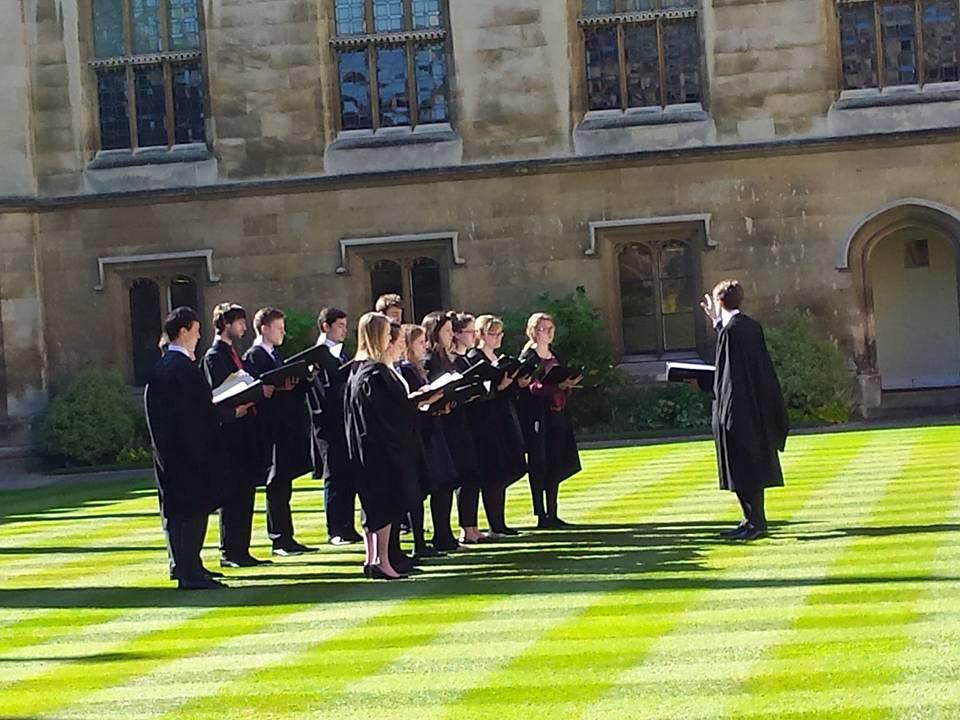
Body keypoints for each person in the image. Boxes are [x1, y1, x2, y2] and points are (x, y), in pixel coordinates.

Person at [145, 306, 231, 590]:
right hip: (189, 453)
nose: (198, 337)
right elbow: (194, 415)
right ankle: (189, 571)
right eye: (195, 331)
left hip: (169, 454)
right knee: (190, 511)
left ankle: (184, 564)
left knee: (175, 511)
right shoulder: (180, 369)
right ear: (182, 332)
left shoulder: (162, 368)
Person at [699, 279, 789, 541]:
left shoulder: (731, 332)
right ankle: (752, 520)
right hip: (756, 408)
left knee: (742, 468)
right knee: (750, 467)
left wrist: (705, 386)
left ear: (720, 302)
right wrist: (717, 323)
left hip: (738, 411)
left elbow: (727, 377)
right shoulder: (750, 327)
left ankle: (755, 522)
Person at [343, 312, 422, 580]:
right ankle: (382, 560)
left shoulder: (358, 370)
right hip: (380, 447)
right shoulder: (373, 374)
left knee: (373, 505)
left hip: (367, 445)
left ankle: (372, 558)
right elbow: (387, 413)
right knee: (384, 504)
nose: (391, 338)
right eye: (387, 333)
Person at [202, 303, 273, 568]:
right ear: (226, 325)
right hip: (229, 432)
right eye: (239, 323)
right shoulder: (214, 355)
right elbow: (220, 392)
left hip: (244, 430)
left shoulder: (234, 353)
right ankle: (229, 550)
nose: (244, 327)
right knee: (232, 495)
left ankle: (241, 549)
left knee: (244, 493)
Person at [243, 307, 317, 556]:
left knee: (284, 485)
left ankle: (287, 536)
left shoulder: (275, 354)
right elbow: (257, 389)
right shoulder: (254, 356)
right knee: (275, 484)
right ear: (264, 328)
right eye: (278, 327)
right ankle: (278, 538)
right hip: (269, 428)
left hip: (284, 426)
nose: (283, 332)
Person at [518, 312, 582, 528]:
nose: (549, 333)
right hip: (537, 415)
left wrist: (566, 385)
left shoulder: (553, 356)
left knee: (555, 460)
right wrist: (556, 386)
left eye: (551, 329)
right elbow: (530, 387)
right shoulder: (529, 356)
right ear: (534, 332)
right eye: (544, 329)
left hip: (556, 412)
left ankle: (553, 512)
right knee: (539, 462)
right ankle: (541, 515)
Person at [467, 314, 528, 537]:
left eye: (500, 334)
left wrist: (516, 382)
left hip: (503, 416)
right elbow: (479, 391)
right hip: (485, 421)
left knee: (509, 467)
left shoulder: (496, 357)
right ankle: (495, 524)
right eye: (493, 334)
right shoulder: (475, 357)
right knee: (494, 472)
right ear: (480, 335)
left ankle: (499, 522)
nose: (498, 338)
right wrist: (499, 386)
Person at [307, 307, 362, 546]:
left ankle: (348, 526)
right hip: (326, 422)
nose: (344, 330)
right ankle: (335, 529)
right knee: (334, 475)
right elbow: (318, 390)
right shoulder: (317, 355)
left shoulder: (341, 354)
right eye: (339, 326)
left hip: (344, 421)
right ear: (325, 327)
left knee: (348, 474)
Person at [422, 310, 474, 551]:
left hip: (452, 421)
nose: (451, 334)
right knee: (441, 482)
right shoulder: (429, 359)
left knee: (450, 480)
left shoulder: (446, 357)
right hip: (438, 425)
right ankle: (441, 534)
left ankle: (446, 534)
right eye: (446, 330)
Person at [450, 312, 486, 543]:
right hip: (457, 423)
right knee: (465, 476)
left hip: (473, 421)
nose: (474, 336)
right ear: (456, 334)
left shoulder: (467, 359)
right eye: (470, 332)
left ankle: (472, 526)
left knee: (473, 475)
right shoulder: (453, 361)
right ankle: (466, 528)